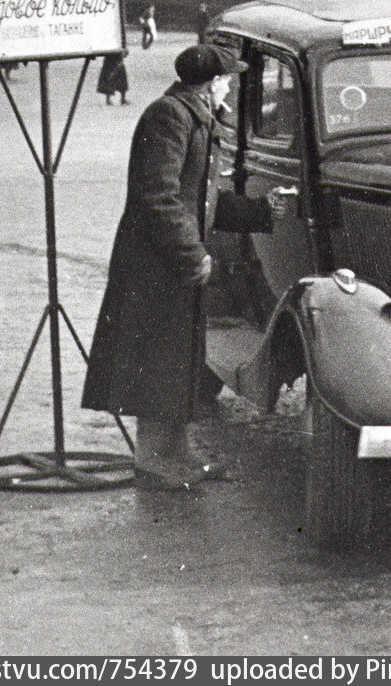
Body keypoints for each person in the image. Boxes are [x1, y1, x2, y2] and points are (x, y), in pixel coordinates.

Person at [82, 43, 274, 490]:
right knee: (156, 363)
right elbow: (158, 196)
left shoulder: (195, 117)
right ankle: (152, 460)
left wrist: (262, 213)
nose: (230, 87)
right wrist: (193, 254)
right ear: (210, 85)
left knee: (177, 361)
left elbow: (200, 199)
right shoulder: (168, 116)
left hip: (172, 264)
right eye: (226, 80)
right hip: (155, 265)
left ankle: (178, 452)